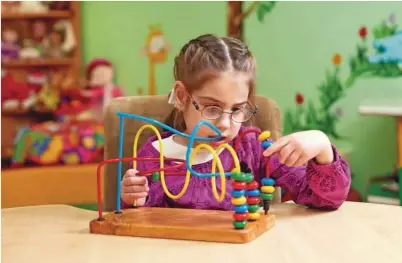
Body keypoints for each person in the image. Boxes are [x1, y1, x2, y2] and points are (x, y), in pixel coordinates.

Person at [120, 34, 351, 211]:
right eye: (212, 108)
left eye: (238, 109)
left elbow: (327, 199)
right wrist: (130, 197)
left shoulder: (255, 151)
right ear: (181, 97)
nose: (224, 124)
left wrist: (321, 145)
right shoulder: (152, 156)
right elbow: (135, 220)